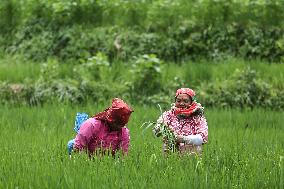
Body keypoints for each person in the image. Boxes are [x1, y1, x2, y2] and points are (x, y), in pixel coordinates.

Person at [68, 98, 134, 158]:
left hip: (106, 162)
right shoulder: (91, 125)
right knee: (71, 145)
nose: (119, 127)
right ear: (110, 120)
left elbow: (123, 156)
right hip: (88, 156)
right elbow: (78, 148)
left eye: (122, 125)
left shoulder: (124, 132)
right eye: (117, 124)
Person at [152, 88, 208, 155]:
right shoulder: (169, 115)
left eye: (185, 101)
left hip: (191, 152)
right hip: (172, 151)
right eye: (178, 101)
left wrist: (183, 139)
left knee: (195, 149)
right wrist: (162, 129)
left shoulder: (197, 118)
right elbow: (155, 132)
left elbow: (201, 138)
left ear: (191, 102)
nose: (181, 103)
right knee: (166, 146)